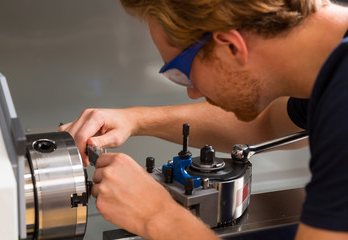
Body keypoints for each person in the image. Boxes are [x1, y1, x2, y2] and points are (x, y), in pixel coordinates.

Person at [59, 0, 348, 239]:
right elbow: (267, 122)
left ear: (231, 46)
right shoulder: (328, 70)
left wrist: (156, 216)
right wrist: (135, 119)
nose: (192, 92)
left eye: (183, 73)